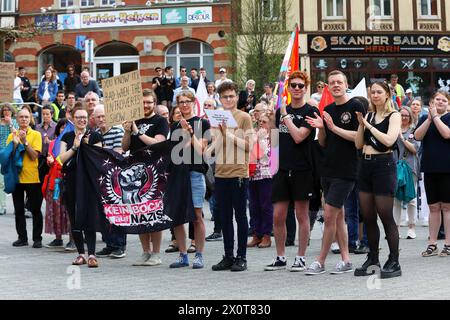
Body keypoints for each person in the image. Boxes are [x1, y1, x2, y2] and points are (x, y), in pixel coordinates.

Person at [305, 71, 366, 275]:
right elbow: (323, 142)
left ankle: (320, 261)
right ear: (327, 87)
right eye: (332, 83)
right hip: (328, 169)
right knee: (338, 216)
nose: (336, 85)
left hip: (347, 169)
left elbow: (359, 137)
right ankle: (346, 260)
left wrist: (333, 127)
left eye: (339, 82)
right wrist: (323, 128)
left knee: (329, 215)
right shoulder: (328, 109)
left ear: (346, 84)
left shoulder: (356, 105)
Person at [264, 71, 318, 272]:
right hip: (281, 168)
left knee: (301, 215)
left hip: (302, 168)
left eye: (300, 86)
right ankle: (280, 256)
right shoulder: (280, 111)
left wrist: (285, 116)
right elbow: (274, 140)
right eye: (293, 85)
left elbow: (298, 137)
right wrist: (271, 120)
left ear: (305, 88)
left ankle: (301, 257)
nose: (296, 88)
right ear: (288, 88)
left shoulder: (310, 111)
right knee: (278, 216)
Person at [354, 81, 402, 278]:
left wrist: (368, 126)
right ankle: (373, 258)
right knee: (368, 216)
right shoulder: (368, 115)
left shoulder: (394, 115)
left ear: (387, 94)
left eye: (379, 92)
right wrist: (361, 125)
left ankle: (394, 260)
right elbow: (358, 143)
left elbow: (389, 140)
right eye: (372, 92)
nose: (375, 95)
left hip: (384, 166)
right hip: (365, 165)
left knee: (385, 215)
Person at [208, 81, 253, 272]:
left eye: (231, 96)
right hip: (221, 173)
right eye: (225, 96)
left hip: (238, 173)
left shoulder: (244, 117)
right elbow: (212, 151)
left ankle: (241, 256)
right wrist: (219, 136)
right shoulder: (216, 118)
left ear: (236, 97)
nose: (228, 99)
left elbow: (249, 146)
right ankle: (228, 255)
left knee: (240, 215)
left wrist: (228, 134)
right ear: (220, 98)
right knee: (224, 216)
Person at [122, 89, 169, 266]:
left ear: (154, 103)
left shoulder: (160, 121)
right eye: (143, 102)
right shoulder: (135, 120)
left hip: (154, 173)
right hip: (135, 173)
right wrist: (127, 131)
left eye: (149, 102)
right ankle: (145, 252)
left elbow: (158, 143)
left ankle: (156, 254)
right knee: (139, 213)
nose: (146, 105)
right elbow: (125, 147)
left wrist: (137, 132)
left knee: (153, 213)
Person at [169, 91, 210, 269]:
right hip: (178, 174)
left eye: (187, 101)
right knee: (178, 217)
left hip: (195, 172)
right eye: (181, 102)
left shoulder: (203, 123)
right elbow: (175, 152)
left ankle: (199, 255)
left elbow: (202, 149)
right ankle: (183, 255)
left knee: (197, 216)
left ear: (193, 102)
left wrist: (190, 133)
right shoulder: (175, 125)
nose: (184, 105)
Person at [60, 104, 103, 268]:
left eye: (84, 117)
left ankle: (92, 254)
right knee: (74, 218)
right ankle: (80, 254)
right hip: (71, 181)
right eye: (78, 117)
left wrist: (87, 147)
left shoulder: (95, 136)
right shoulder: (67, 137)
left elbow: (98, 160)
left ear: (88, 118)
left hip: (89, 182)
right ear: (72, 118)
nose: (82, 120)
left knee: (89, 217)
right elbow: (61, 159)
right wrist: (75, 147)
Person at [414, 90, 450, 257]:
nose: (440, 102)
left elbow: (446, 134)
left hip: (447, 169)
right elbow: (417, 136)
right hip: (429, 168)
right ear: (432, 102)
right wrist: (429, 119)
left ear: (448, 104)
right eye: (437, 100)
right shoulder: (424, 119)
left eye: (443, 100)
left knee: (447, 207)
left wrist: (435, 118)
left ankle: (448, 244)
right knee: (433, 207)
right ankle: (432, 243)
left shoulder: (448, 118)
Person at [93, 104, 127, 259]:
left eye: (103, 116)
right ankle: (109, 244)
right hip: (102, 177)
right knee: (105, 212)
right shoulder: (95, 133)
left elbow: (118, 154)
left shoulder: (117, 131)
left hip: (116, 177)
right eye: (98, 117)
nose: (101, 119)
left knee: (117, 211)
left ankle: (119, 245)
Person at [7, 107, 43, 248]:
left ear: (30, 119)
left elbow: (34, 156)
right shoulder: (12, 135)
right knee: (19, 210)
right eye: (21, 117)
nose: (24, 119)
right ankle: (22, 238)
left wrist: (24, 141)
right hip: (17, 178)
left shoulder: (36, 135)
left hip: (32, 177)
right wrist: (15, 144)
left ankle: (37, 238)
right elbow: (8, 156)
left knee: (35, 209)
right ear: (17, 119)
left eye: (26, 117)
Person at [43, 119, 74, 250]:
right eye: (61, 127)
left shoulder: (73, 142)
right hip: (55, 180)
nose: (63, 130)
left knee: (69, 210)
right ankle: (58, 237)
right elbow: (50, 158)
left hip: (68, 178)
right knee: (55, 209)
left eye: (66, 127)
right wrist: (49, 161)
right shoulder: (53, 144)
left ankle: (73, 239)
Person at [393, 107, 420, 239]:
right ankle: (395, 229)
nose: (404, 118)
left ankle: (411, 227)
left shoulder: (414, 130)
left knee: (411, 199)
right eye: (401, 115)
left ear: (410, 117)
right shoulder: (393, 128)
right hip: (395, 167)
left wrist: (402, 139)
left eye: (406, 115)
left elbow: (415, 149)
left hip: (410, 167)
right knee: (396, 199)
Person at [247, 112, 273, 248]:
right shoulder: (254, 136)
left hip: (267, 175)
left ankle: (267, 235)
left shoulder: (273, 137)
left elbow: (271, 158)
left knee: (266, 206)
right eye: (259, 122)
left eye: (264, 122)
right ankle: (256, 234)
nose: (261, 124)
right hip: (253, 175)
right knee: (253, 206)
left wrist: (261, 141)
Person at [0, 104, 19, 215]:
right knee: (0, 181)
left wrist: (10, 123)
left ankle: (18, 206)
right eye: (4, 110)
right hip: (1, 153)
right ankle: (2, 206)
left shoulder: (14, 122)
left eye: (8, 110)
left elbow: (15, 135)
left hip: (11, 153)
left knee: (13, 180)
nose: (6, 112)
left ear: (12, 111)